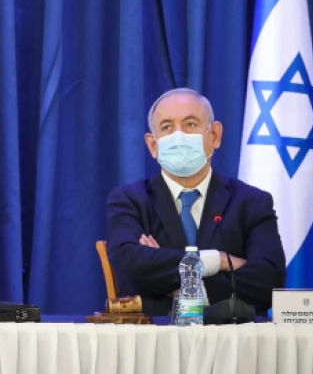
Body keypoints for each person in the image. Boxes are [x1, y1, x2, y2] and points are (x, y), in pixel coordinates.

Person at [106, 88, 286, 316]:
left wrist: (176, 287)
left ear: (215, 136)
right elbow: (131, 266)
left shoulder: (252, 202)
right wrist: (217, 260)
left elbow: (268, 282)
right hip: (155, 339)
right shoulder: (130, 200)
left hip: (234, 340)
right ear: (153, 145)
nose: (178, 136)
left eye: (190, 124)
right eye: (167, 127)